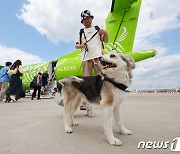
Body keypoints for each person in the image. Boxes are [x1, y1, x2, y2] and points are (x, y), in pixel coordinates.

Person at [75, 10, 108, 110]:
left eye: (88, 18)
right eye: (84, 19)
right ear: (82, 21)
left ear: (91, 18)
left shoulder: (97, 29)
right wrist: (81, 45)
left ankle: (104, 97)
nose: (86, 20)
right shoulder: (80, 32)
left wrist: (105, 33)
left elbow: (106, 40)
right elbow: (76, 45)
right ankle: (84, 103)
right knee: (85, 80)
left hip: (98, 57)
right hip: (86, 58)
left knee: (102, 77)